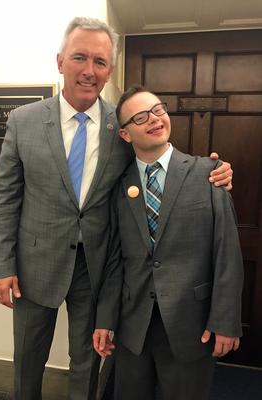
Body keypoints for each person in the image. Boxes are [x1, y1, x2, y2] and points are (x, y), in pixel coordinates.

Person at [0, 17, 233, 400]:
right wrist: (2, 266)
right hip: (34, 265)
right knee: (28, 357)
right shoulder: (24, 121)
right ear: (60, 61)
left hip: (98, 268)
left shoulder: (123, 126)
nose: (89, 70)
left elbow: (158, 158)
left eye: (100, 62)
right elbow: (5, 197)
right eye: (79, 58)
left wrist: (216, 172)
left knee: (88, 360)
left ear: (109, 71)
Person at [93, 85, 244, 400]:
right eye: (140, 117)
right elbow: (114, 260)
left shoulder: (209, 174)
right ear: (125, 134)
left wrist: (225, 321)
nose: (154, 119)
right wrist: (105, 319)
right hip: (133, 325)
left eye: (158, 110)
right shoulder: (119, 187)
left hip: (193, 324)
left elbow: (227, 255)